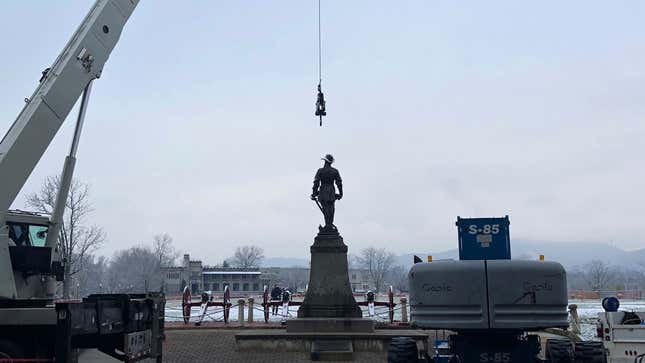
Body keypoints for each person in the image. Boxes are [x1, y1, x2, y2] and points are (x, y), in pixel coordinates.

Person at [311, 154, 343, 229]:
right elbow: (339, 183)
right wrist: (341, 193)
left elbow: (316, 182)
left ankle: (328, 225)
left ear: (325, 161)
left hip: (323, 191)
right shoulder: (335, 171)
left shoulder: (320, 171)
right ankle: (329, 224)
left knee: (325, 208)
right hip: (331, 191)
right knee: (331, 208)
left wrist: (314, 193)